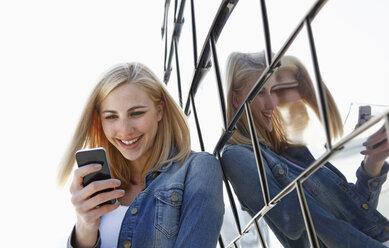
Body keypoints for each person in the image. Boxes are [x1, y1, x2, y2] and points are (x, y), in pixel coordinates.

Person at [221, 51, 389, 247]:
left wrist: (373, 163)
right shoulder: (237, 156)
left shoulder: (289, 150)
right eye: (260, 92)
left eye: (273, 90)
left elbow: (357, 214)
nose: (272, 103)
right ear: (236, 100)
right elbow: (299, 222)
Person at [57, 62, 224, 248]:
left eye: (136, 113)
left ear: (159, 111)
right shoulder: (97, 185)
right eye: (111, 116)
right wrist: (85, 225)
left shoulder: (198, 169)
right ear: (100, 121)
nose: (125, 130)